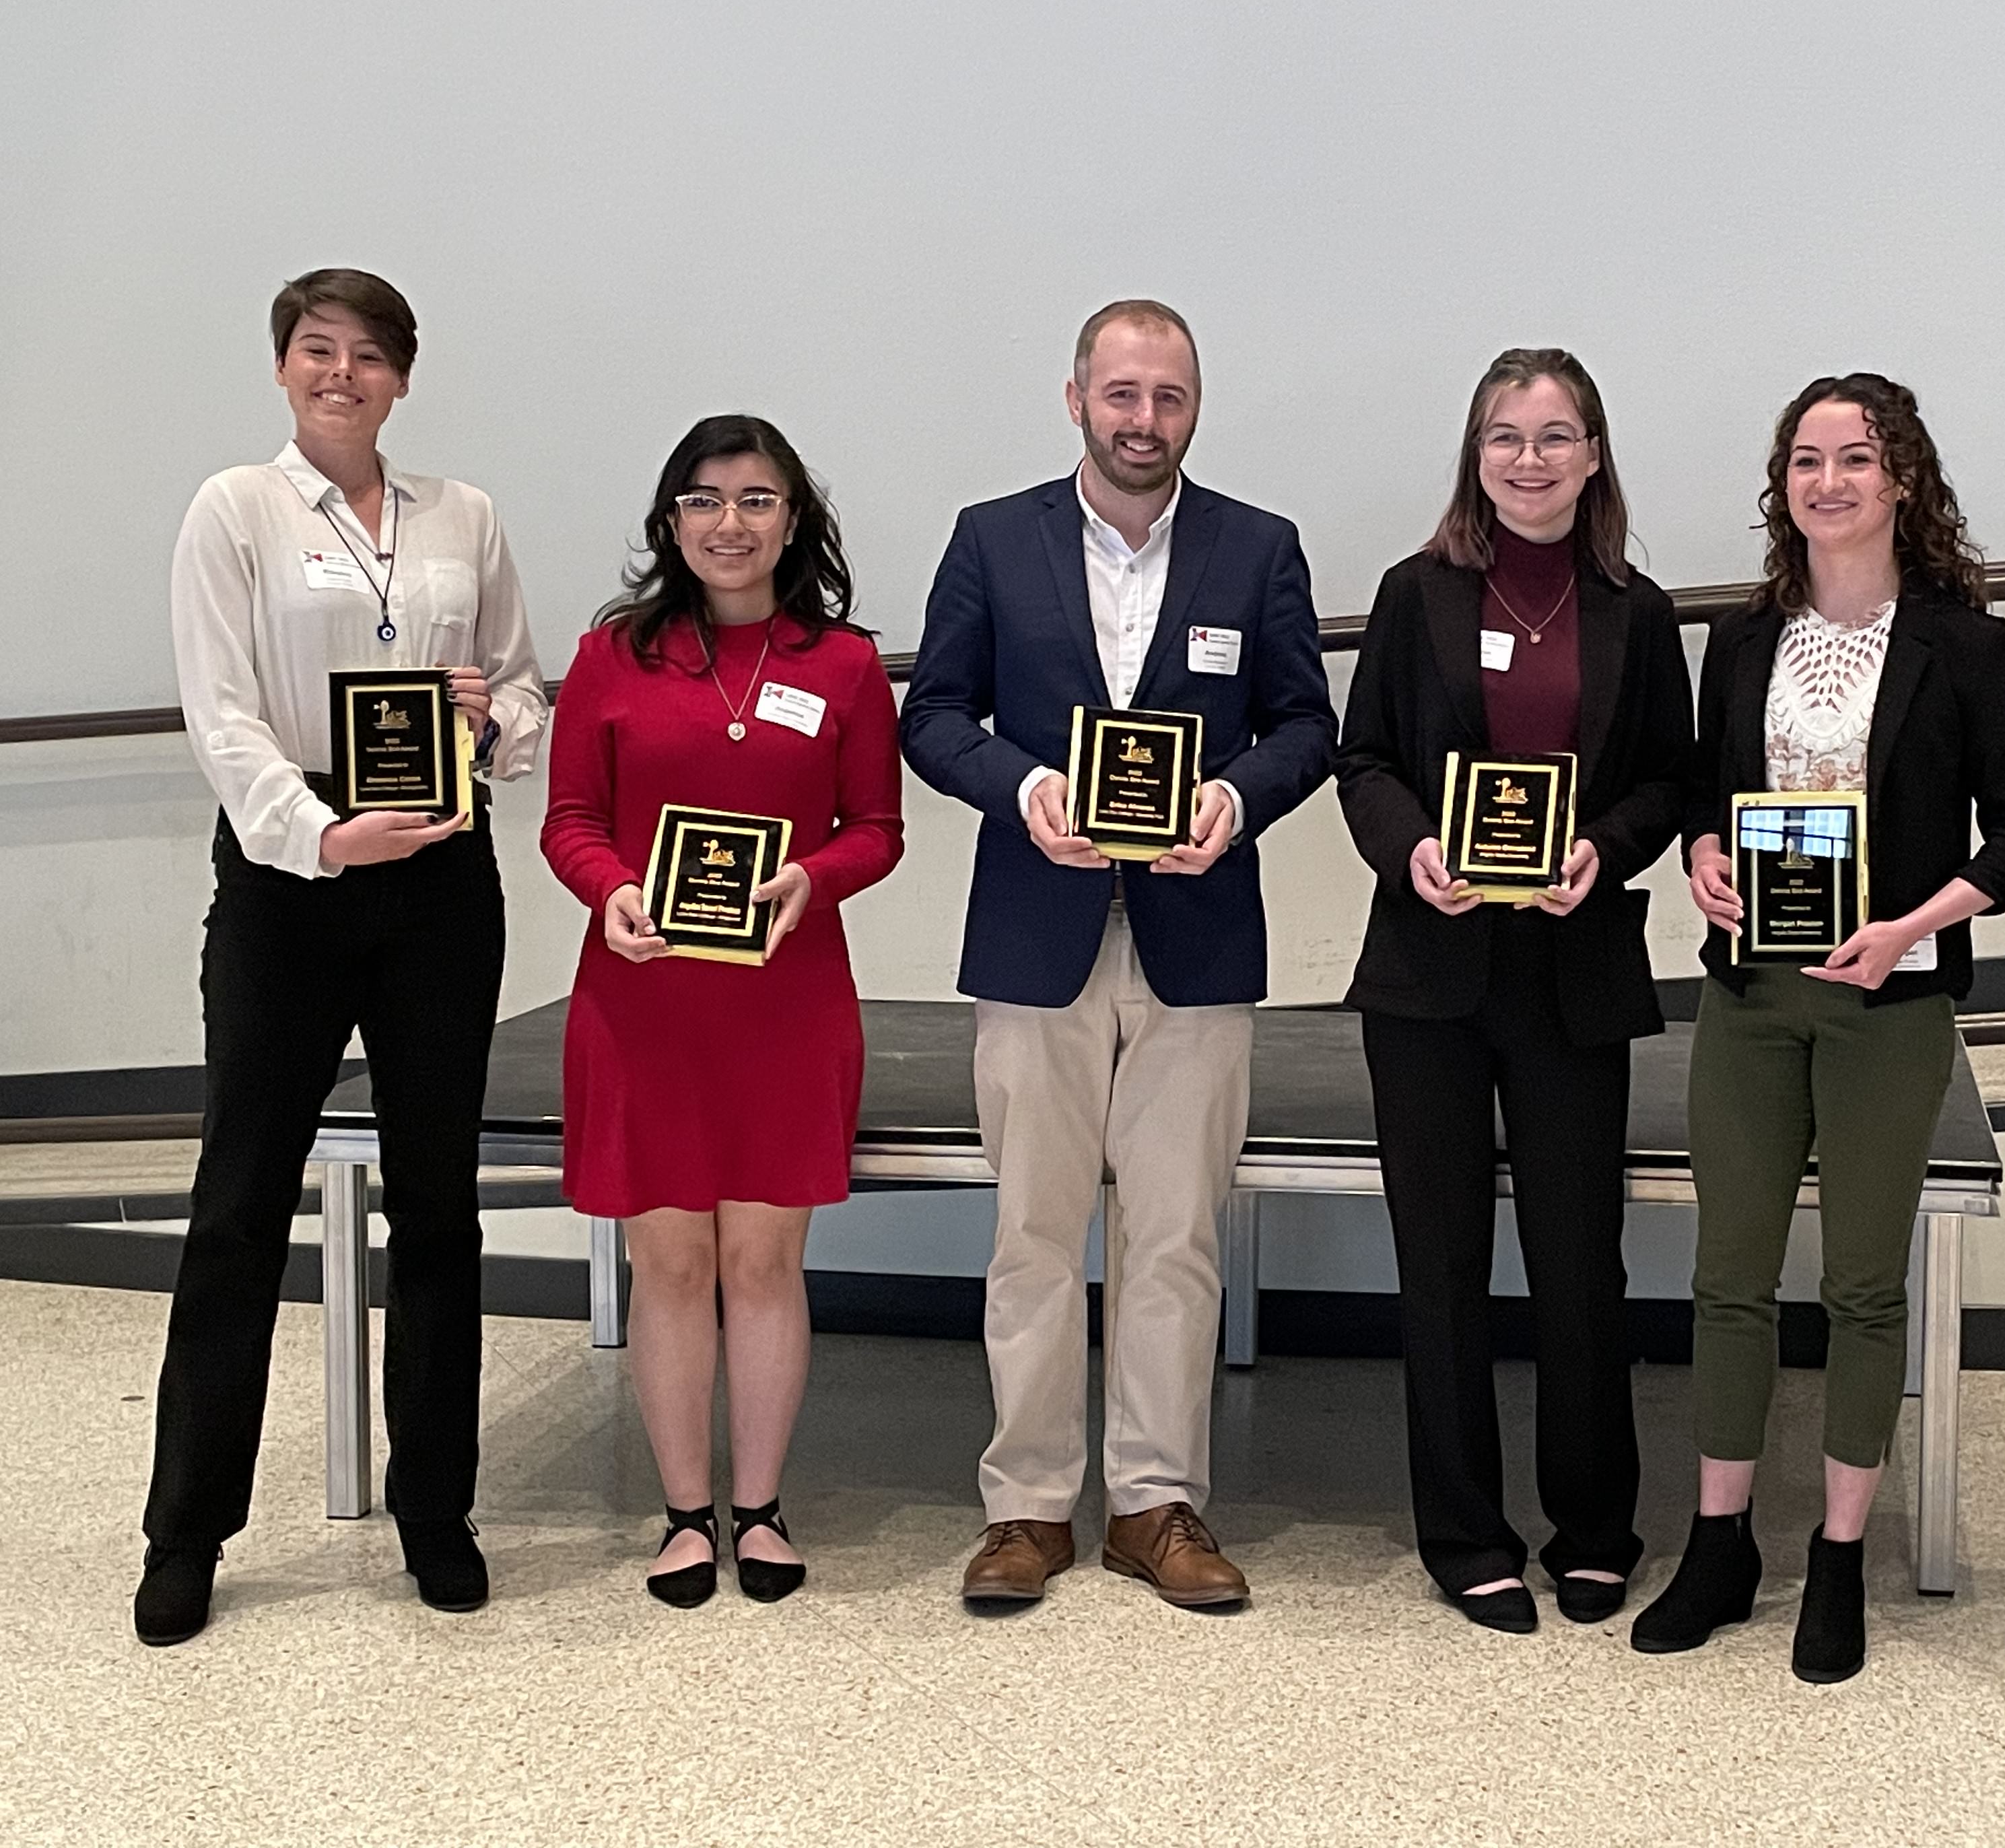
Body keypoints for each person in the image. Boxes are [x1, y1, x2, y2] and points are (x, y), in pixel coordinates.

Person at [901, 300, 1334, 1610]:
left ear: (1194, 408)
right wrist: (1023, 787)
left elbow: (1307, 722)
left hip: (1195, 940)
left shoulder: (1259, 550)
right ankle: (1026, 1508)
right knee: (1035, 1233)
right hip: (1038, 937)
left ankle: (1154, 1503)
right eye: (1124, 394)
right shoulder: (993, 539)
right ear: (1077, 395)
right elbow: (934, 716)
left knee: (1175, 1236)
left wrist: (1237, 799)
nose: (1145, 421)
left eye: (1170, 399)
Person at [138, 269, 545, 1646]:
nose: (343, 375)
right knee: (241, 1201)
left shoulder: (463, 517)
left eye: (370, 356)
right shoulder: (233, 511)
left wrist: (487, 735)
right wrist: (319, 838)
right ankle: (187, 1531)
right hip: (287, 882)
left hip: (440, 877)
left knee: (437, 1205)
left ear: (404, 378)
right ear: (281, 368)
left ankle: (436, 1512)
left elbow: (523, 683)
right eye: (319, 351)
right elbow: (223, 709)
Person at [1631, 374, 2005, 1680]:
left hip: (1893, 997)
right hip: (1752, 996)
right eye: (1805, 461)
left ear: (1903, 480)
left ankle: (1840, 1559)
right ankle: (1721, 1542)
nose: (1828, 482)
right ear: (1785, 489)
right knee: (1728, 1279)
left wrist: (1911, 923)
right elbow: (1705, 799)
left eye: (1854, 458)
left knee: (1867, 1287)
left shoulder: (1968, 646)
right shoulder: (1745, 639)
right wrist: (1702, 856)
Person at [1334, 347, 1692, 1633]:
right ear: (1474, 455)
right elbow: (1361, 758)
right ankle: (1464, 1533)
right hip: (1429, 972)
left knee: (1577, 1264)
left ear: (1594, 455)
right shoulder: (1413, 593)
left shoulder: (1637, 611)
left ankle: (1595, 1526)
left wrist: (1606, 850)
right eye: (1504, 437)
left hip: (1573, 970)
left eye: (1554, 436)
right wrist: (1410, 848)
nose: (1529, 461)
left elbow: (1670, 782)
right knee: (1438, 1266)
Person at [541, 415, 902, 1606]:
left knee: (761, 1259)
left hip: (785, 1003)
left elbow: (877, 831)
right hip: (642, 999)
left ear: (794, 520)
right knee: (670, 1260)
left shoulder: (843, 665)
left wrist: (815, 878)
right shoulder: (612, 658)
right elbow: (570, 822)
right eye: (704, 500)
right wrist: (613, 892)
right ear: (671, 520)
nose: (729, 523)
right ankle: (685, 1516)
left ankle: (763, 1509)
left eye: (756, 500)